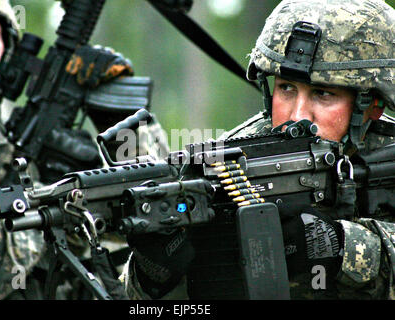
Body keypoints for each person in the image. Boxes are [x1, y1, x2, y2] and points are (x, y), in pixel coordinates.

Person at [121, 0, 395, 300]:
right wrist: (151, 275)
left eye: (323, 94)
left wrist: (344, 246)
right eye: (286, 88)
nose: (298, 115)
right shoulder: (228, 161)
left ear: (372, 106)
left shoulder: (386, 154)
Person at [0, 0, 169, 299]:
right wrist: (57, 211)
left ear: (9, 54)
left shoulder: (18, 151)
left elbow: (165, 213)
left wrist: (125, 127)